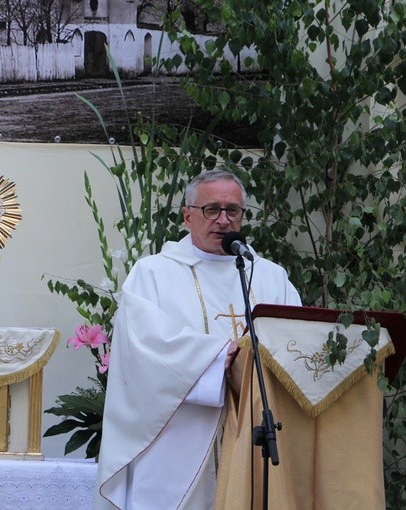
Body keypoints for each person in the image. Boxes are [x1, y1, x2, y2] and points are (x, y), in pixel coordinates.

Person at [95, 169, 302, 510]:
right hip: (178, 442)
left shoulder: (269, 276)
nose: (223, 220)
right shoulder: (153, 274)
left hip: (253, 437)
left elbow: (294, 340)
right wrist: (223, 355)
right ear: (187, 215)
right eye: (212, 209)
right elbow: (145, 348)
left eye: (232, 210)